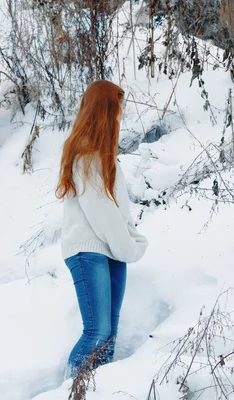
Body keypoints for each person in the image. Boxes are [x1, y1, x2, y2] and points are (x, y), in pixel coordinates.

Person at [55, 80, 148, 379]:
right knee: (97, 331)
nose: (121, 116)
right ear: (106, 111)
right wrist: (130, 247)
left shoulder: (107, 158)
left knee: (109, 334)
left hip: (112, 252)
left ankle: (95, 390)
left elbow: (120, 211)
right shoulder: (85, 157)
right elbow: (102, 213)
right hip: (88, 251)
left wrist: (132, 239)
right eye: (119, 109)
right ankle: (70, 390)